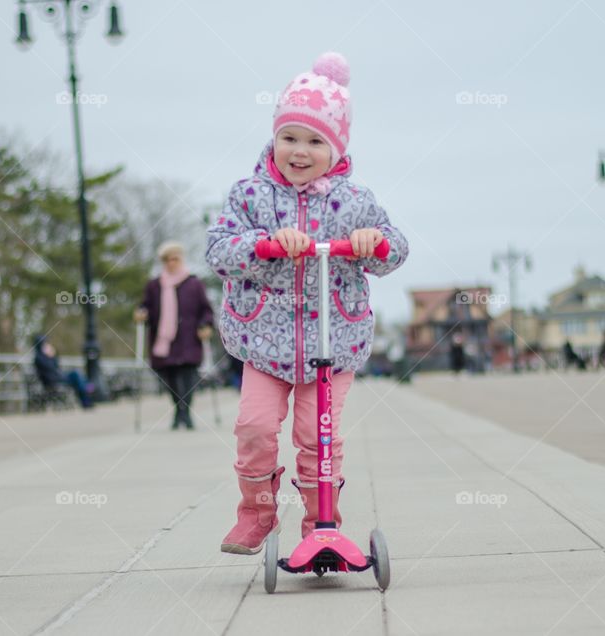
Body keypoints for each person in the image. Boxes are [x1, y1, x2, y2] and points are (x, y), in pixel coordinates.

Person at [206, 52, 409, 555]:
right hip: (265, 342)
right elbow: (218, 249)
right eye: (289, 137)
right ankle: (256, 512)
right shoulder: (249, 195)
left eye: (315, 141)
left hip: (332, 343)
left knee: (316, 438)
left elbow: (395, 248)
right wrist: (263, 244)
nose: (300, 151)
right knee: (253, 426)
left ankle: (322, 526)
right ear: (273, 139)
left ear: (336, 147)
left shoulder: (355, 200)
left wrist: (372, 242)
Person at [135, 242, 215, 430]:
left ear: (181, 259)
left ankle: (184, 414)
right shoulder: (154, 285)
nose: (171, 263)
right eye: (167, 260)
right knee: (169, 380)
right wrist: (141, 312)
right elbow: (145, 305)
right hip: (164, 341)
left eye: (174, 259)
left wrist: (205, 325)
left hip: (189, 339)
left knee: (188, 379)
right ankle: (179, 411)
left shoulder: (194, 284)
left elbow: (206, 310)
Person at [32, 335, 93, 408]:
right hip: (52, 381)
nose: (47, 345)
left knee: (76, 375)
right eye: (45, 344)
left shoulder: (44, 356)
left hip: (58, 378)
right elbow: (50, 368)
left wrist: (53, 356)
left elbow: (56, 366)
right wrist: (50, 356)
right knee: (76, 375)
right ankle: (87, 392)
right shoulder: (39, 358)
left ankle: (86, 395)